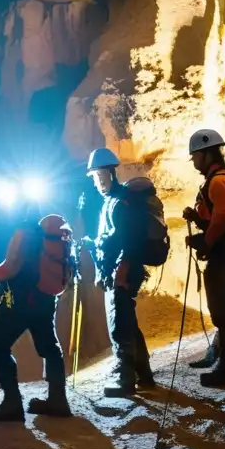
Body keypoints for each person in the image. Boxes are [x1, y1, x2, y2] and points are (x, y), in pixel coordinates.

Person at [0, 208, 74, 421]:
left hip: (21, 299)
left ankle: (12, 403)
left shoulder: (24, 233)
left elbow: (9, 269)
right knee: (49, 346)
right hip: (46, 298)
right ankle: (58, 400)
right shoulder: (45, 234)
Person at [84, 148, 156, 397]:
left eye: (97, 176)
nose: (96, 181)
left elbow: (130, 241)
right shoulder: (113, 202)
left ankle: (124, 379)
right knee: (128, 322)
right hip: (117, 270)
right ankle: (144, 374)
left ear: (107, 173)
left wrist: (121, 271)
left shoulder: (121, 203)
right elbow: (111, 239)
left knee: (119, 325)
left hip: (122, 272)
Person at [182, 129, 225, 386]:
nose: (194, 162)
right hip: (223, 252)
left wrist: (206, 244)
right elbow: (217, 218)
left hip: (222, 254)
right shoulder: (218, 180)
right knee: (223, 309)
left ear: (206, 153)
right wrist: (197, 219)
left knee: (223, 311)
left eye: (195, 156)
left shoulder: (220, 181)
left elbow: (222, 219)